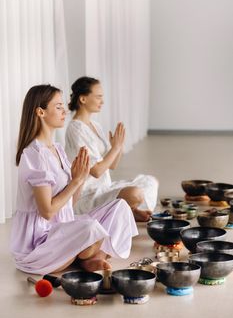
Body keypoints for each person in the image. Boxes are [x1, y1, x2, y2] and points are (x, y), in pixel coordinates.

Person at [10, 84, 138, 275]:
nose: (64, 111)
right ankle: (89, 256)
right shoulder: (34, 154)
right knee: (90, 228)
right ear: (40, 112)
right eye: (58, 107)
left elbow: (70, 203)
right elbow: (47, 211)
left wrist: (82, 176)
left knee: (120, 208)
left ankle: (89, 256)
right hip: (40, 243)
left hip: (65, 229)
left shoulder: (58, 150)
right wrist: (76, 182)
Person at [65, 76, 159, 222]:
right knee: (136, 194)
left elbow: (112, 165)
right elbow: (96, 171)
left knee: (150, 181)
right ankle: (125, 211)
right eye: (98, 97)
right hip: (87, 196)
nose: (102, 101)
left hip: (105, 188)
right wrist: (115, 148)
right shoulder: (75, 129)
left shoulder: (96, 126)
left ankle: (130, 210)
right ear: (83, 99)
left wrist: (119, 146)